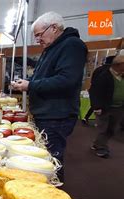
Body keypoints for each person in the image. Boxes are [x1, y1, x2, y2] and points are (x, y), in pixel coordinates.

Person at [11, 11, 87, 181]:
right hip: (48, 114)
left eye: (39, 35)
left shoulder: (71, 45)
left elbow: (66, 80)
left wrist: (30, 85)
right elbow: (44, 76)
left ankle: (53, 192)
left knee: (52, 159)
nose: (37, 39)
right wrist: (29, 82)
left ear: (54, 28)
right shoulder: (52, 48)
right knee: (45, 157)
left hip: (56, 115)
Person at [89, 51, 124, 158]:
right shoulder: (104, 75)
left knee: (111, 129)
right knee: (103, 129)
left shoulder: (122, 76)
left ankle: (97, 144)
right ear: (118, 65)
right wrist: (96, 106)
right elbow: (94, 91)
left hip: (119, 108)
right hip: (104, 108)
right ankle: (101, 148)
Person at [82, 55, 116, 126]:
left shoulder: (98, 69)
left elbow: (92, 80)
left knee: (95, 106)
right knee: (103, 108)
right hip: (103, 93)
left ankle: (86, 117)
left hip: (94, 91)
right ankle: (100, 124)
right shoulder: (109, 71)